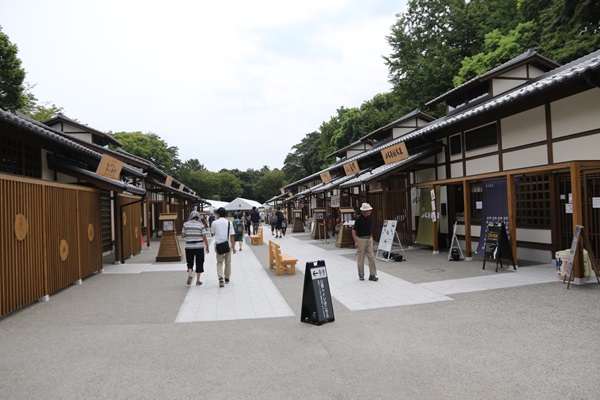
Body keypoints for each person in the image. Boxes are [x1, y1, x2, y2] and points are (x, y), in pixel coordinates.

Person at [181, 210, 209, 286]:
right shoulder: (201, 225)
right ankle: (198, 280)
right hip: (199, 247)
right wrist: (207, 246)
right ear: (198, 217)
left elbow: (183, 235)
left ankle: (190, 274)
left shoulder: (185, 224)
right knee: (199, 263)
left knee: (190, 262)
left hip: (189, 247)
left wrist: (189, 235)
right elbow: (204, 237)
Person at [352, 203, 378, 282]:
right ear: (364, 211)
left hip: (368, 238)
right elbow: (353, 230)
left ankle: (372, 274)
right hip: (361, 239)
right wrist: (355, 241)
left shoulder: (369, 219)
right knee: (361, 258)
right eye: (369, 210)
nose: (370, 211)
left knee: (372, 257)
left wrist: (372, 238)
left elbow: (369, 230)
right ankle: (361, 274)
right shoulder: (358, 219)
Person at [212, 207, 236, 287]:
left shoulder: (214, 223)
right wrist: (233, 246)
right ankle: (227, 278)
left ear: (218, 214)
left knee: (219, 263)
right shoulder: (229, 223)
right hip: (228, 246)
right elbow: (232, 236)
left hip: (219, 246)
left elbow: (213, 232)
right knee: (228, 262)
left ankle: (220, 278)